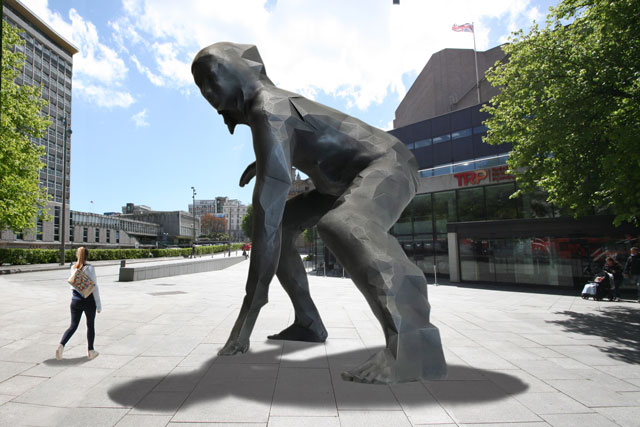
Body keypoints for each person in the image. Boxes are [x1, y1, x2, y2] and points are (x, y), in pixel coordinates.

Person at [191, 42, 446, 384]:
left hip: (389, 164)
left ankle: (417, 343)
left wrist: (245, 321)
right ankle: (308, 322)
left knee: (343, 224)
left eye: (212, 78)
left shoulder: (270, 108)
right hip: (339, 182)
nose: (207, 93)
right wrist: (269, 160)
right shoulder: (268, 112)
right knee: (283, 226)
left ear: (240, 69)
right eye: (200, 86)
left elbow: (267, 209)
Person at [56, 247, 101, 360]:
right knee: (90, 326)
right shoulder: (90, 268)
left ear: (77, 255)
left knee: (73, 326)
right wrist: (98, 304)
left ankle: (61, 346)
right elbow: (94, 287)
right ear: (87, 256)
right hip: (89, 301)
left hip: (75, 301)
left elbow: (72, 286)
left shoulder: (73, 268)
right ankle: (91, 351)